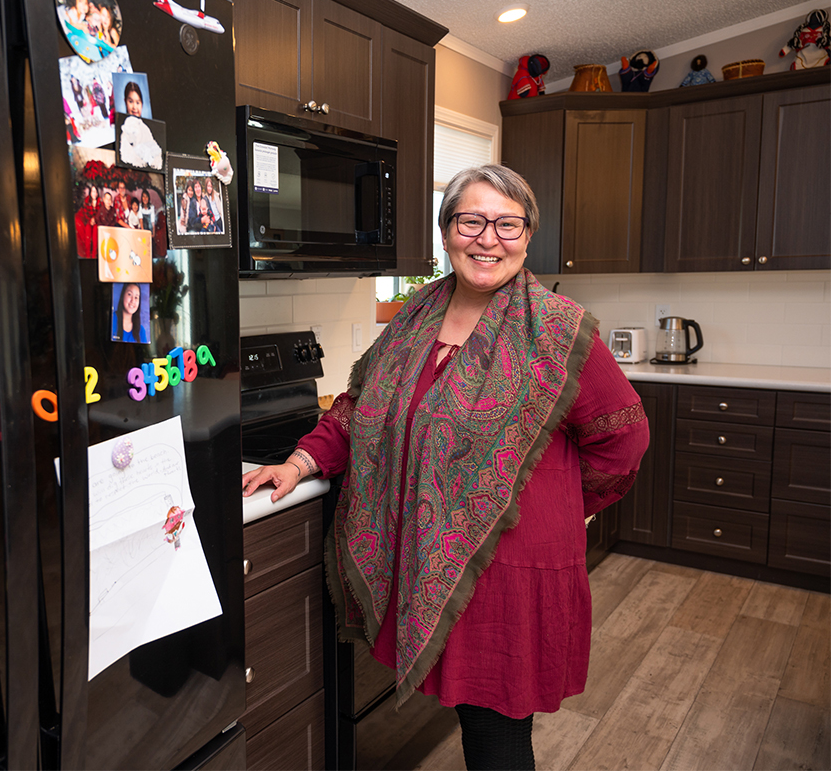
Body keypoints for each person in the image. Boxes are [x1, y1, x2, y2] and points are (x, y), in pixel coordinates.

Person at [241, 165, 649, 771]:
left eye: (507, 224)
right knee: (474, 718)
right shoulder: (413, 318)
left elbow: (623, 440)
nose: (488, 239)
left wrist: (557, 504)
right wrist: (301, 461)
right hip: (427, 552)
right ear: (446, 231)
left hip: (512, 565)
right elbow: (361, 408)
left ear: (528, 235)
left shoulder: (561, 332)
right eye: (471, 221)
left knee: (497, 737)